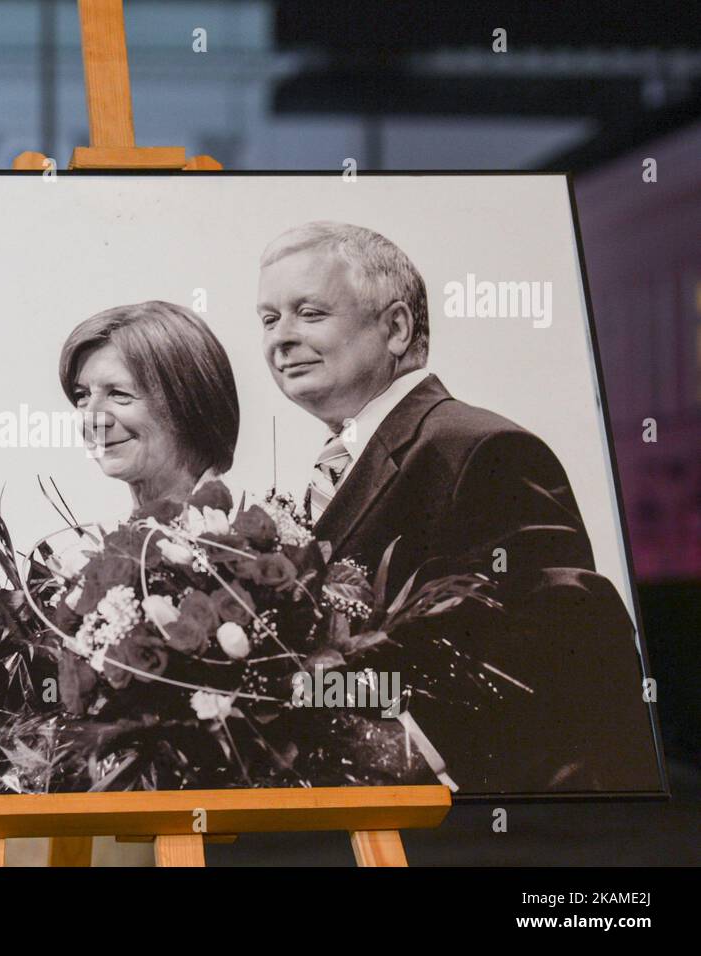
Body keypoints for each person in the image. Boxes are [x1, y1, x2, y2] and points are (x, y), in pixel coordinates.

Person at [255, 220, 660, 794]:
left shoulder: (482, 448)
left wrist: (393, 749)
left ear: (396, 328)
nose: (281, 338)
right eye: (269, 320)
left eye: (309, 313)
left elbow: (565, 638)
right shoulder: (333, 467)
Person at [59, 300, 239, 516]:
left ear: (188, 402)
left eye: (119, 394)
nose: (92, 418)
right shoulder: (110, 542)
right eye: (82, 396)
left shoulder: (255, 544)